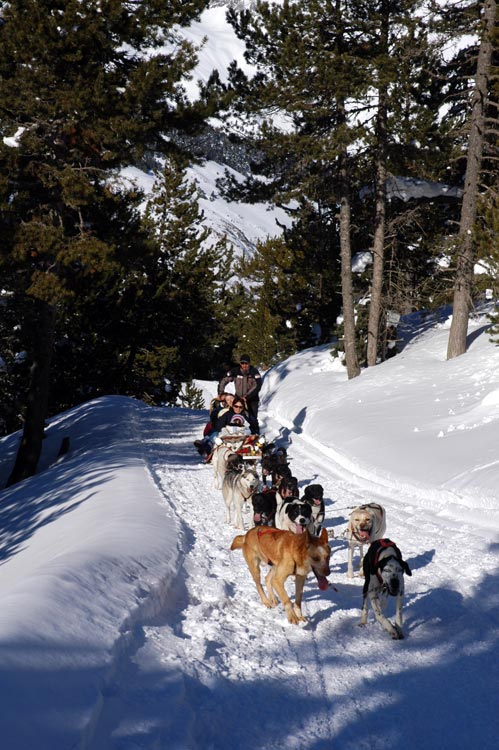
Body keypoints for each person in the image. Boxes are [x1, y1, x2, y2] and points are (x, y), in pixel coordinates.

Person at [218, 354, 262, 434]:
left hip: (252, 400)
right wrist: (221, 394)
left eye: (246, 363)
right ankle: (234, 434)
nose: (244, 365)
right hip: (238, 399)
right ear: (240, 363)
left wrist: (247, 397)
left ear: (249, 363)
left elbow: (257, 386)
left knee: (253, 419)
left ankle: (255, 437)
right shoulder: (235, 371)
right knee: (234, 416)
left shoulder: (254, 372)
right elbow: (224, 380)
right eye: (242, 363)